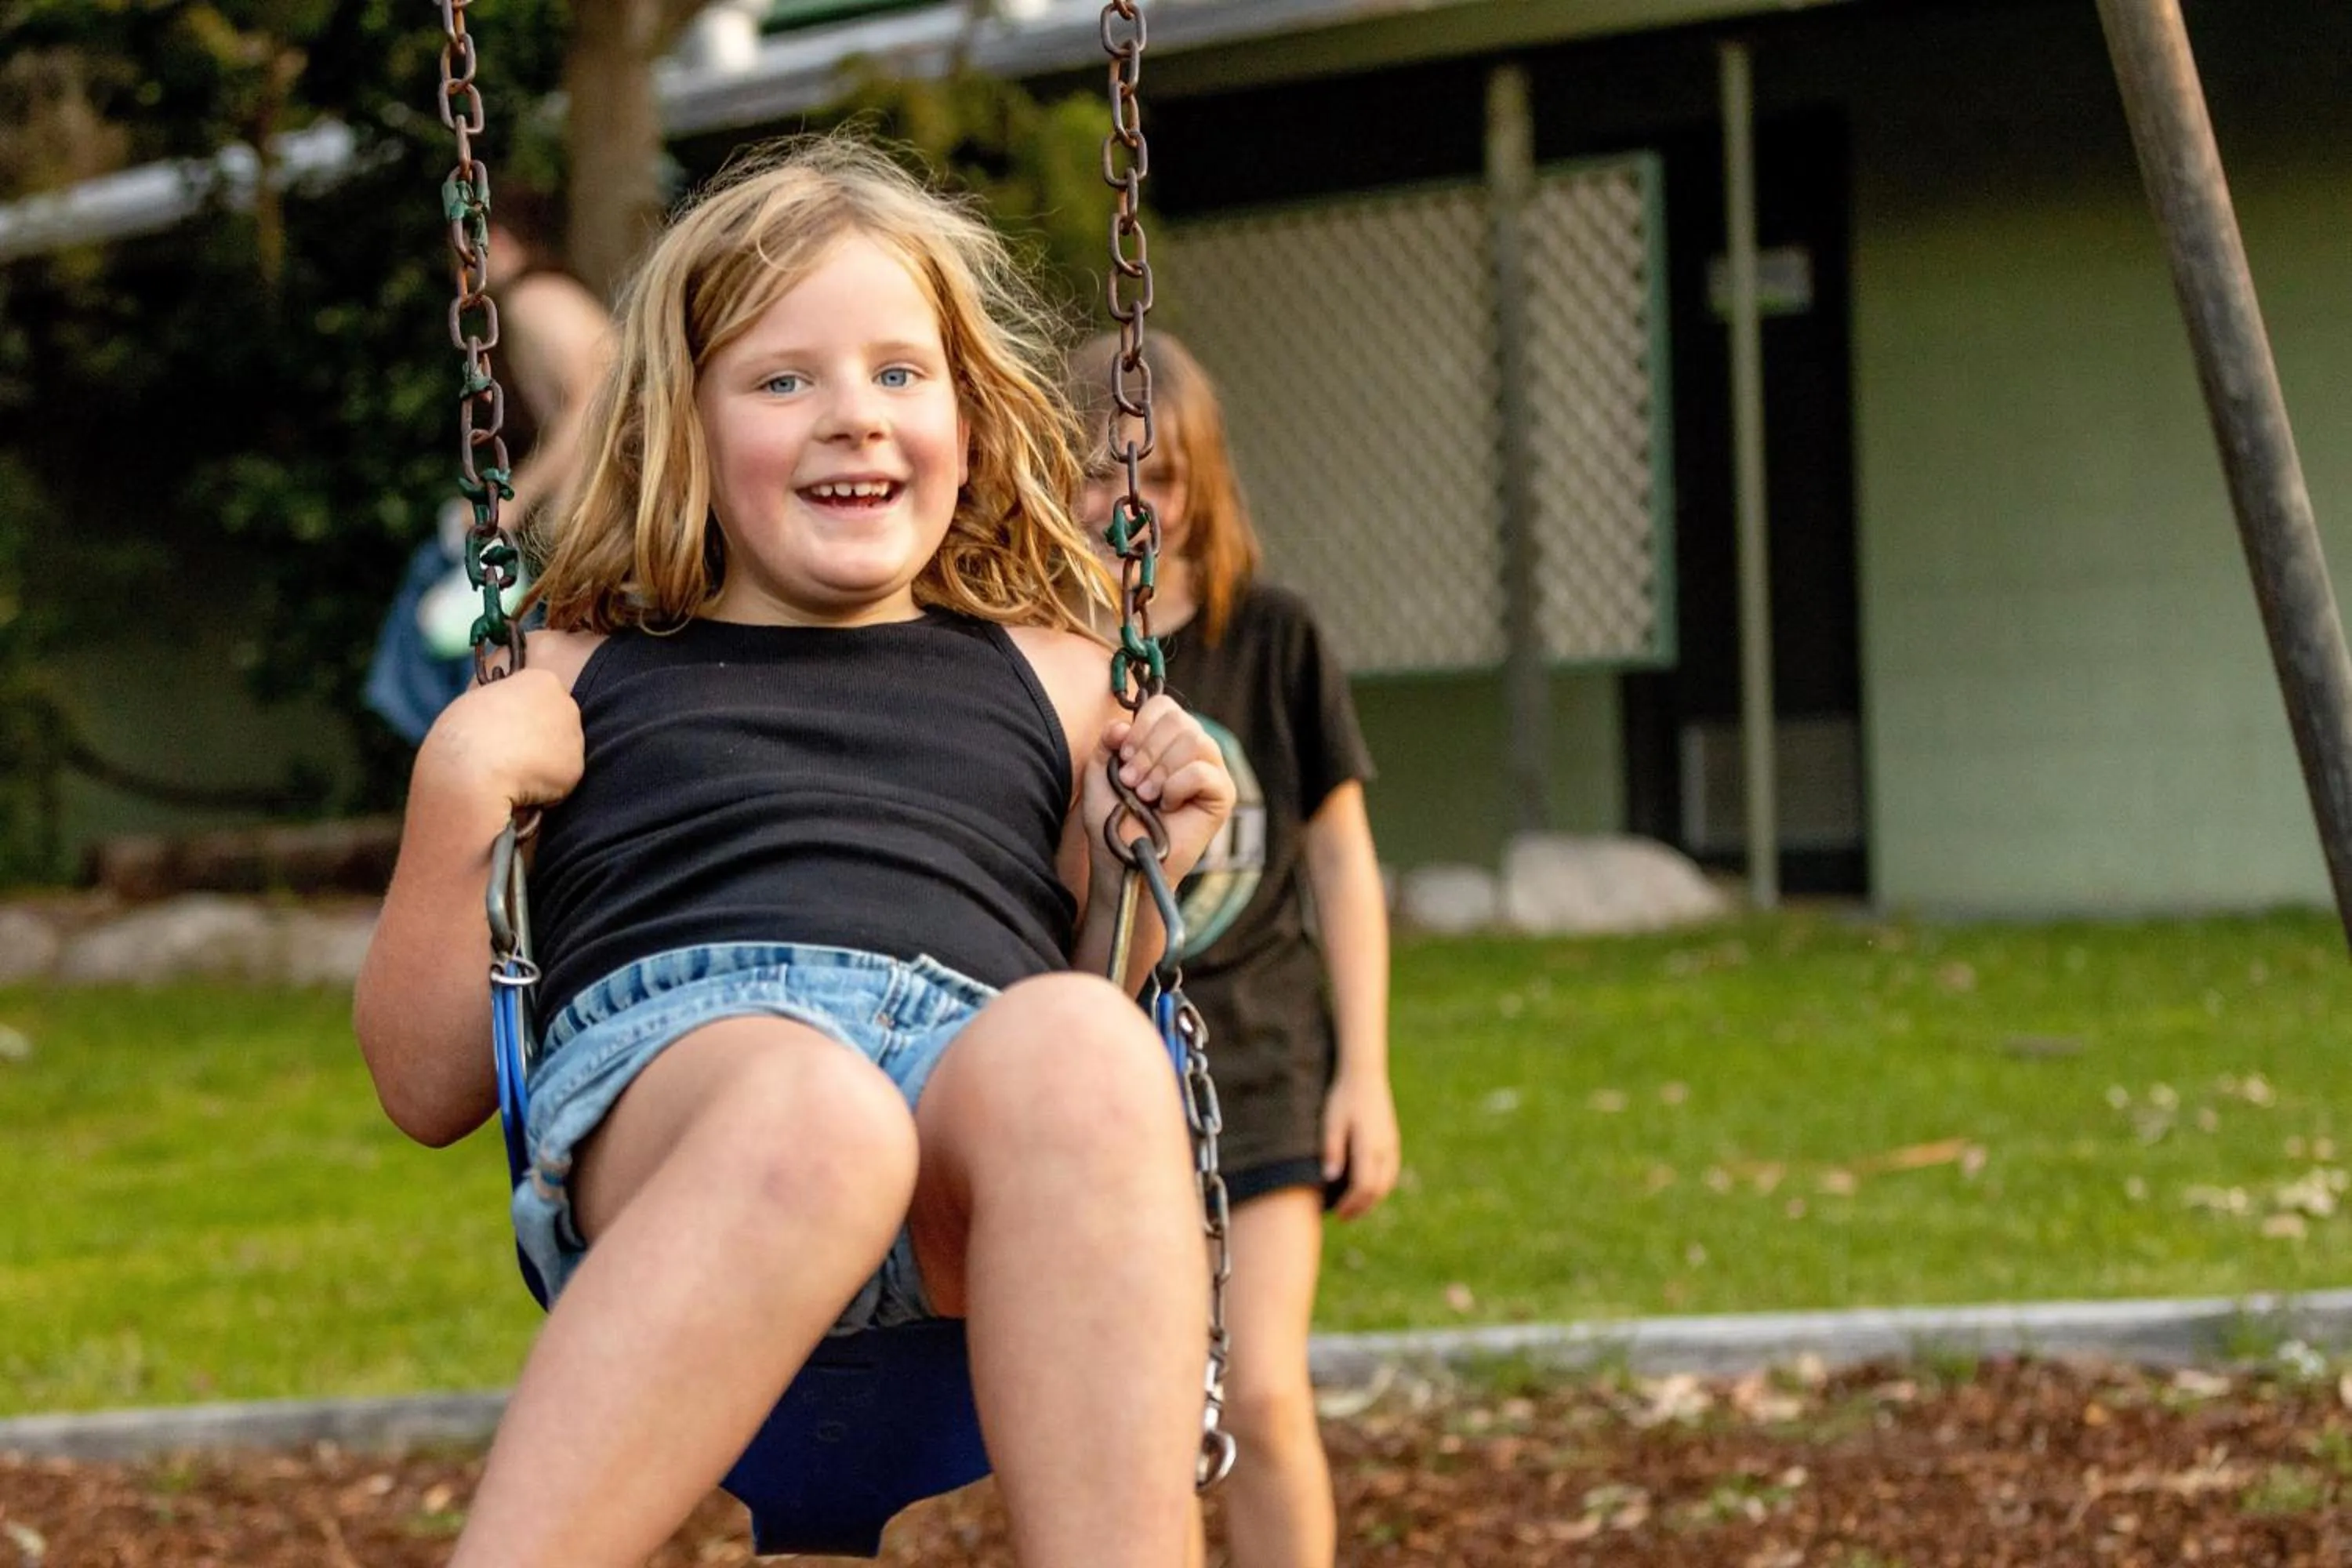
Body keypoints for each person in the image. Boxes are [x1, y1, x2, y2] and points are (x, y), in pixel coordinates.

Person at [354, 137, 1236, 1568]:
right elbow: (427, 1083)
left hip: (966, 1098)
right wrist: (459, 787)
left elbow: (1096, 1011)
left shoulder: (1064, 677)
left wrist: (1153, 868)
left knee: (1082, 1044)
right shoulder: (570, 674)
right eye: (784, 380)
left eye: (902, 373)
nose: (855, 419)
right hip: (695, 1101)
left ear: (969, 408)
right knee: (817, 1117)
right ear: (682, 424)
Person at [1072, 330, 1401, 1568]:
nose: (1128, 501)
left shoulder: (1275, 637)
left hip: (1261, 1064)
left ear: (1202, 482)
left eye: (1156, 476)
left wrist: (1362, 1074)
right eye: (1098, 472)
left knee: (1260, 1395)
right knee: (1138, 1415)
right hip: (1108, 1075)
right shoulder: (1052, 653)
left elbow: (1339, 862)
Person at [365, 187, 614, 742]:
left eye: (461, 261)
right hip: (576, 540)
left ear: (496, 242)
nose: (458, 281)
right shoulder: (545, 301)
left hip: (589, 539)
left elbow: (602, 395)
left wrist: (515, 501)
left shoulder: (536, 299)